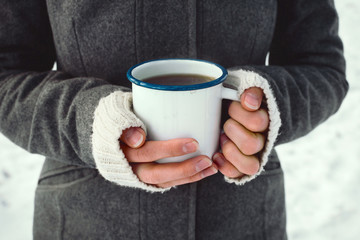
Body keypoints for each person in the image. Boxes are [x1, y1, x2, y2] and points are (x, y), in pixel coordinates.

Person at [0, 0, 348, 239]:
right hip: (82, 222)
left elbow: (321, 66)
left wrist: (265, 104)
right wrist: (87, 122)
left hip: (245, 222)